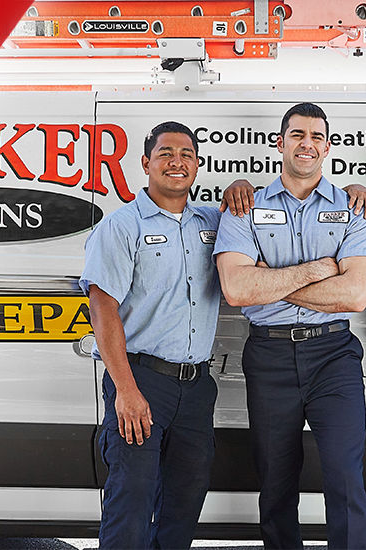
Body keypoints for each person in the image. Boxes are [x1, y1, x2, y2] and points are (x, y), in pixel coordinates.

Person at [213, 103, 366, 550]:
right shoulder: (242, 206)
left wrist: (269, 280)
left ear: (327, 145)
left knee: (345, 476)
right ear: (280, 142)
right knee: (275, 480)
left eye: (316, 136)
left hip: (334, 355)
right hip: (268, 356)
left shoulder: (356, 208)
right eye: (297, 134)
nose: (306, 144)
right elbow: (235, 289)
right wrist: (316, 271)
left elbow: (354, 296)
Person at [78, 121, 225, 550]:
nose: (176, 162)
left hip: (196, 388)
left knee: (184, 501)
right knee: (133, 500)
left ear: (197, 164)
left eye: (185, 154)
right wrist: (125, 389)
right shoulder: (122, 226)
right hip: (141, 382)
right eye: (165, 154)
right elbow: (101, 306)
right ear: (146, 163)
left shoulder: (212, 223)